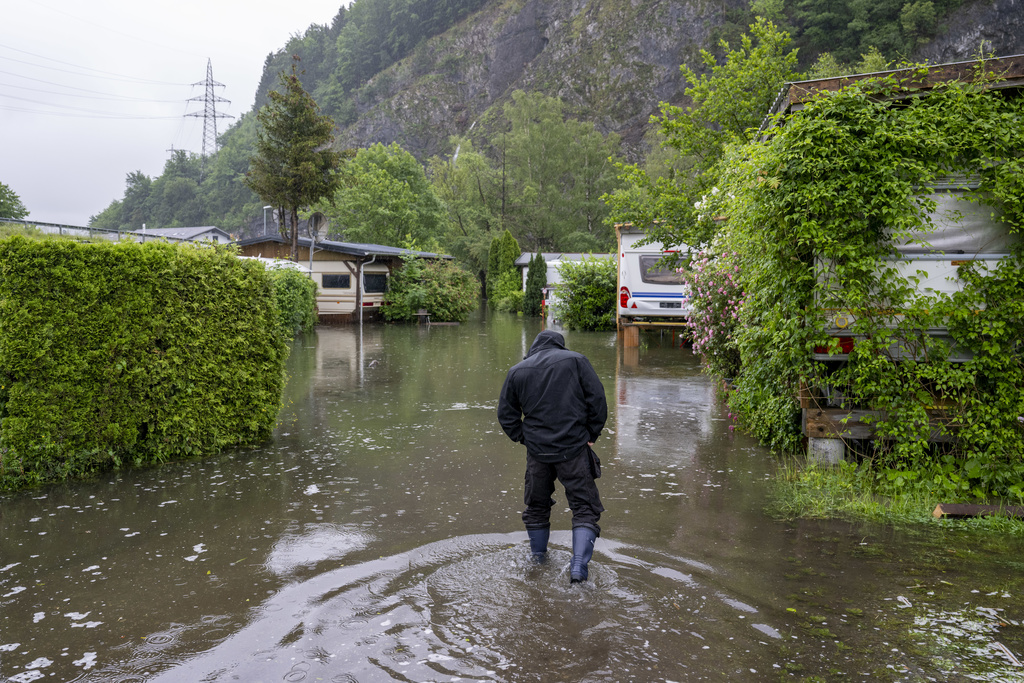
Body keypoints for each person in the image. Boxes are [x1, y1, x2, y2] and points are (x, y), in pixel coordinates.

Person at [497, 330, 607, 583]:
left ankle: (537, 561)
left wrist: (525, 438)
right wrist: (592, 433)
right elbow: (598, 400)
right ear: (560, 345)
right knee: (584, 508)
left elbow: (506, 415)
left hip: (537, 454)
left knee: (536, 507)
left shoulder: (517, 371)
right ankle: (578, 565)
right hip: (575, 450)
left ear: (535, 347)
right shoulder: (577, 361)